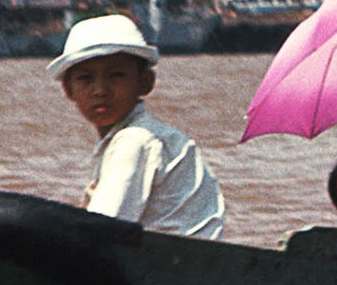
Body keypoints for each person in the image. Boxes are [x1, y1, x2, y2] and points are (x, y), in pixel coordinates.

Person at [48, 14, 225, 238]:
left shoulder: (134, 141)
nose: (100, 90)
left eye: (116, 76)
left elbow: (100, 231)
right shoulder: (146, 136)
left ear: (145, 82)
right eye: (85, 79)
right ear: (68, 89)